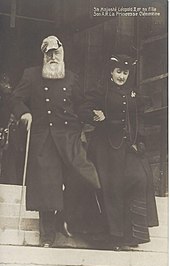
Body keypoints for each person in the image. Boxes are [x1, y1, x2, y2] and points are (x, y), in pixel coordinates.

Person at [10, 35, 101, 248]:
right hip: (44, 139)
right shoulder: (31, 75)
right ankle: (47, 236)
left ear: (62, 54)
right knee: (46, 187)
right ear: (43, 55)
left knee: (86, 176)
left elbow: (80, 105)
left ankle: (72, 220)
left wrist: (91, 115)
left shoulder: (72, 78)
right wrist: (24, 113)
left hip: (69, 137)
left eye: (56, 53)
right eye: (49, 53)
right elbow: (14, 99)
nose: (53, 57)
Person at [80, 53, 159, 250]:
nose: (122, 77)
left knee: (139, 179)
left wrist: (138, 138)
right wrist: (95, 115)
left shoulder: (133, 92)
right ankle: (113, 238)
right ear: (111, 72)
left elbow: (142, 109)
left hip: (127, 148)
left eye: (125, 73)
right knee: (112, 189)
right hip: (105, 149)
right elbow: (83, 109)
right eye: (118, 72)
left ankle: (132, 235)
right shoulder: (101, 91)